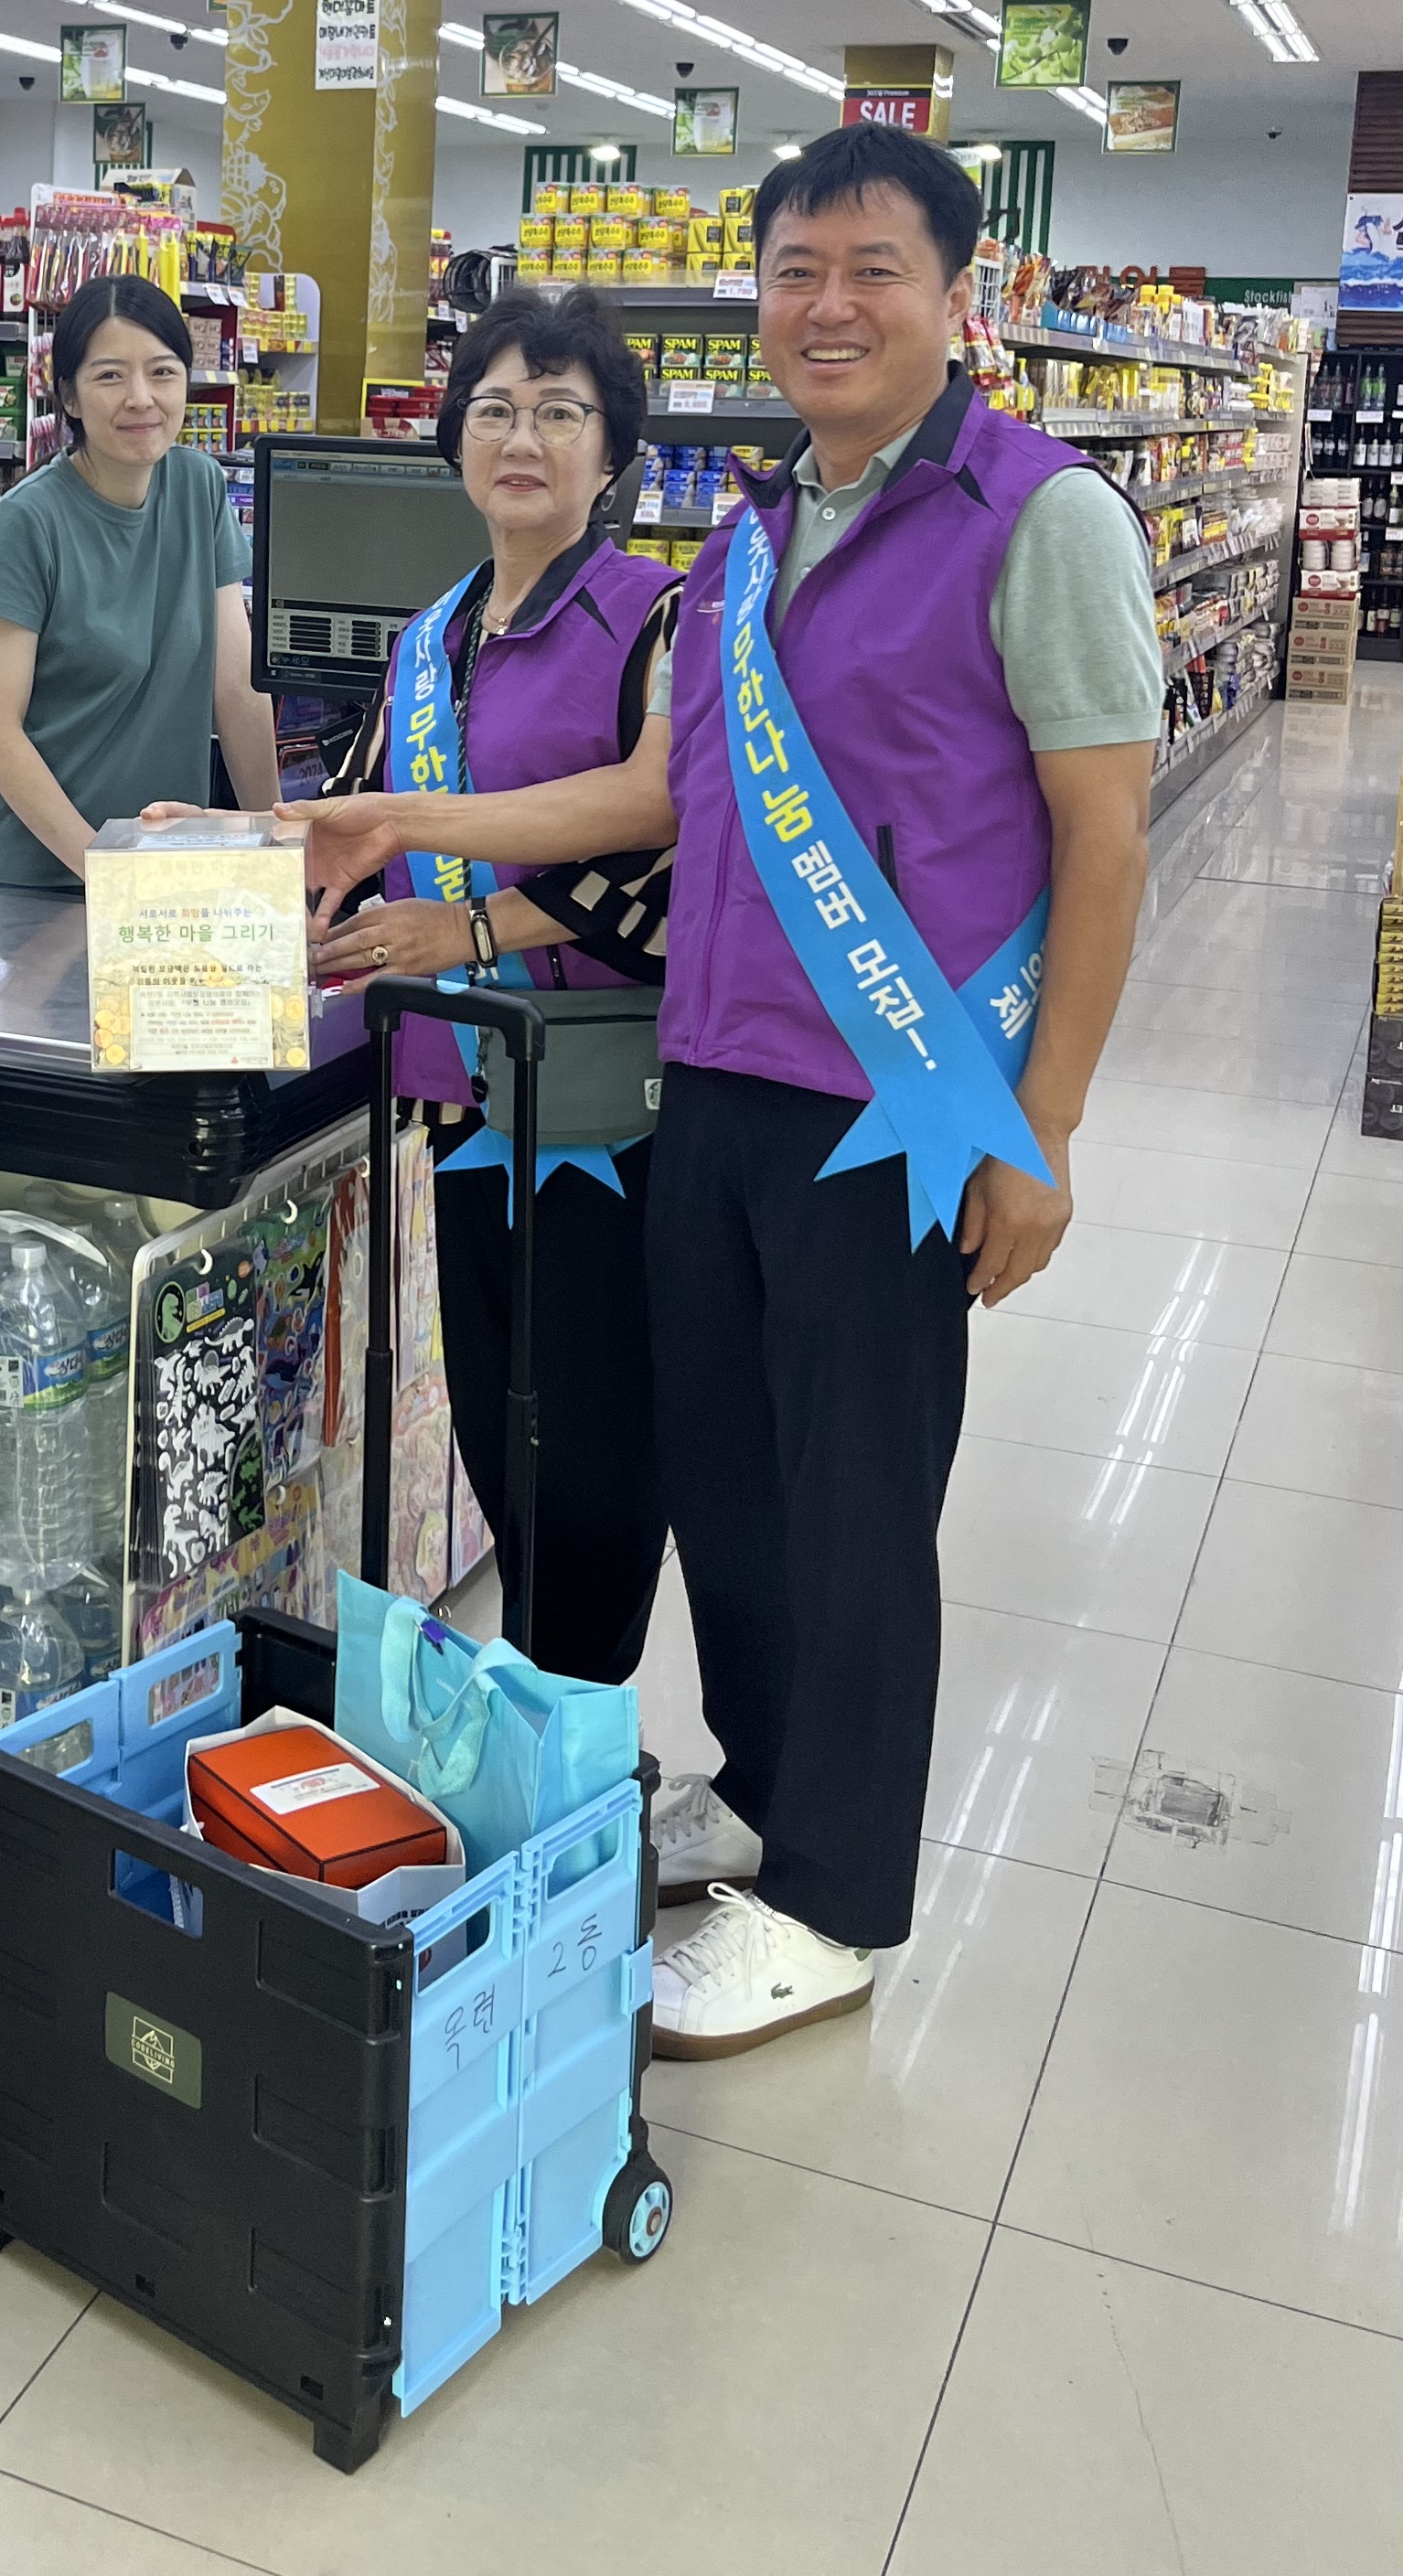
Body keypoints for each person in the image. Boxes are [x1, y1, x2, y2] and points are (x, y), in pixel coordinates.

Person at [642, 126, 1159, 2058]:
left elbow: (1105, 841)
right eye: (795, 269)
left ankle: (839, 1905)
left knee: (856, 1509)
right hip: (716, 1083)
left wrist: (1046, 1124)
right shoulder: (752, 530)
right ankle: (766, 1790)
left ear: (963, 299)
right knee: (734, 1489)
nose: (827, 305)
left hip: (901, 1114)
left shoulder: (1047, 519)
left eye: (872, 269)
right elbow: (678, 800)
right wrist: (409, 823)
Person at [301, 290, 680, 1680]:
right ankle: (527, 1690)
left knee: (592, 1435)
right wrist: (220, 870)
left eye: (563, 412)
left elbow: (671, 858)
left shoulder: (660, 618)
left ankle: (581, 1711)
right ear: (456, 437)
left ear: (612, 454)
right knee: (490, 1425)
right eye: (498, 408)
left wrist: (464, 936)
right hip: (456, 1103)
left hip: (596, 1101)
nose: (524, 437)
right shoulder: (430, 637)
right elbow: (353, 834)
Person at [0, 273, 278, 888]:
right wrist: (106, 872)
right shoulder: (27, 522)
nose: (140, 398)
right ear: (69, 396)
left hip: (161, 871)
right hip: (26, 882)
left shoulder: (200, 488)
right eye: (109, 375)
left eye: (162, 371)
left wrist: (276, 845)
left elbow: (236, 687)